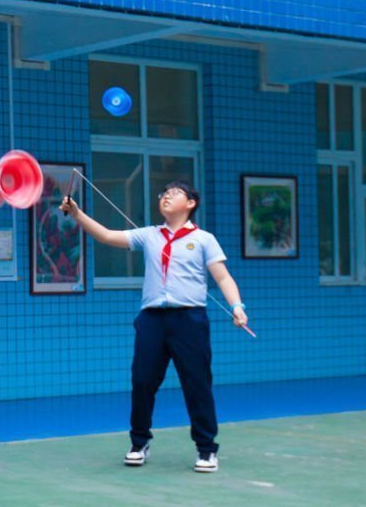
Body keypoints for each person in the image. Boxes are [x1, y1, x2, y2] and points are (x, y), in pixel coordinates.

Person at [61, 181, 249, 472]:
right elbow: (107, 236)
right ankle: (138, 443)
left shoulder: (204, 239)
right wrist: (76, 214)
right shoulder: (149, 235)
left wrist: (237, 307)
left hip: (190, 320)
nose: (166, 197)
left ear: (190, 203)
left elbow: (222, 277)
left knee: (197, 384)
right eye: (164, 194)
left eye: (175, 194)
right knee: (142, 382)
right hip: (152, 320)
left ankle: (206, 449)